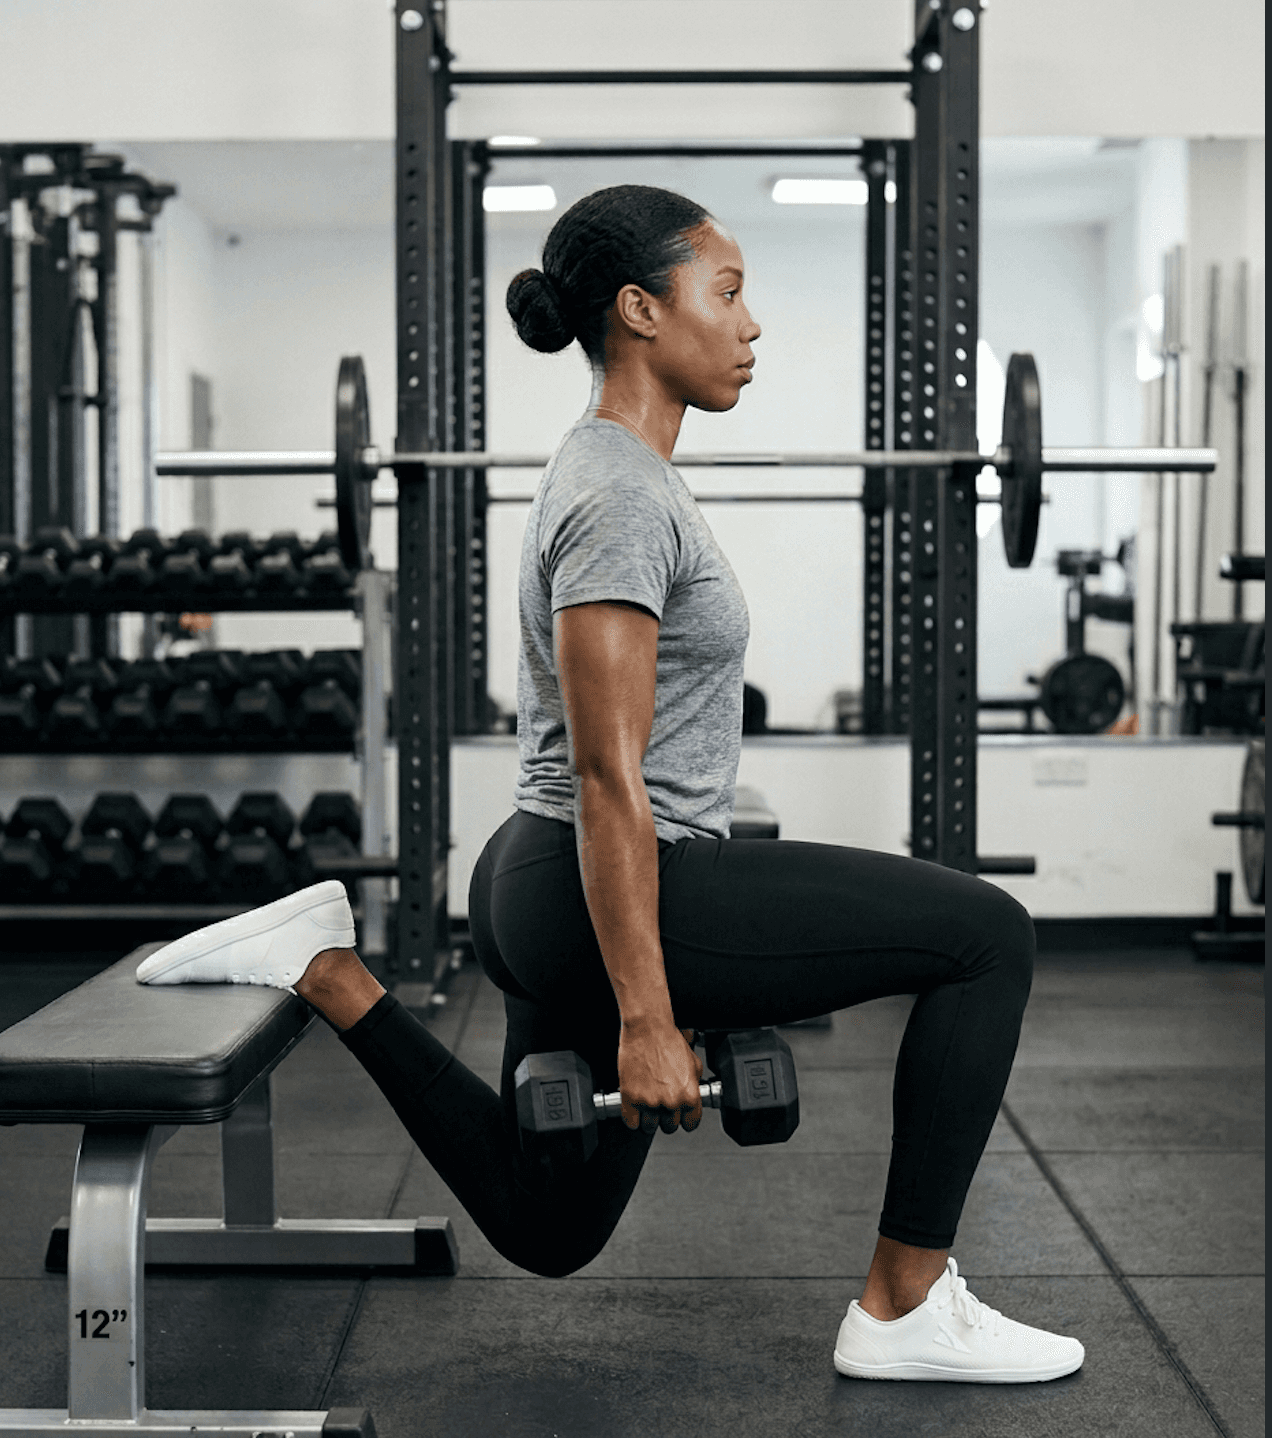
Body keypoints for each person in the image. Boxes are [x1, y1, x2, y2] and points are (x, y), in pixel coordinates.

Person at [139, 185, 1083, 1385]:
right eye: (726, 293)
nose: (750, 323)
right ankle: (904, 1305)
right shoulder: (621, 494)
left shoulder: (619, 473)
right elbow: (605, 769)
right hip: (613, 881)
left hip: (551, 881)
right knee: (988, 937)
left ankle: (331, 972)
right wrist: (648, 1014)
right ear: (640, 309)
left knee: (550, 1226)